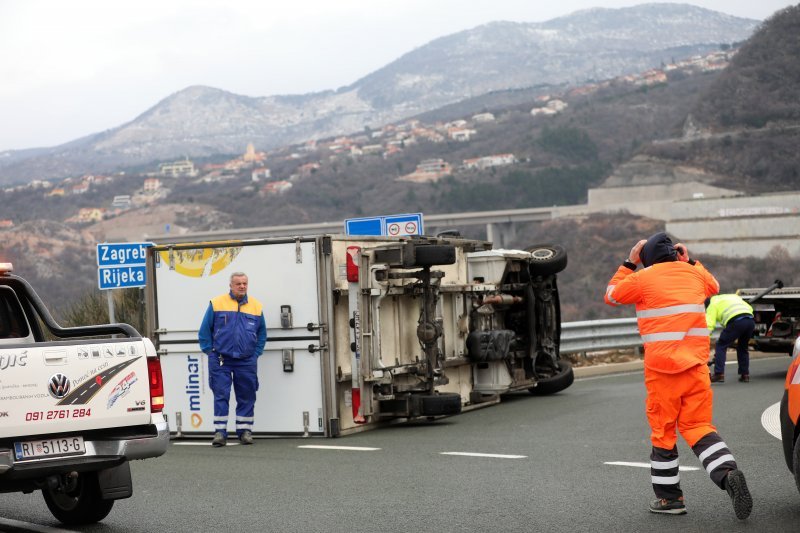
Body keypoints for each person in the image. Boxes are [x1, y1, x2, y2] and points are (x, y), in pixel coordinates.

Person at [604, 232, 752, 520]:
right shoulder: (693, 274)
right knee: (699, 427)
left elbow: (611, 295)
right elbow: (715, 285)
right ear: (675, 253)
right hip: (696, 367)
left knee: (663, 433)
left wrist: (628, 262)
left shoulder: (642, 279)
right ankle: (727, 474)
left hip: (662, 373)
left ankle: (670, 500)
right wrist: (690, 259)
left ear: (646, 258)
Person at [198, 271, 267, 447]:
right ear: (230, 285)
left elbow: (262, 333)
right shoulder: (217, 303)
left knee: (247, 395)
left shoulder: (256, 306)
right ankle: (220, 433)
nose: (242, 286)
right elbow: (205, 331)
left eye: (245, 283)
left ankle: (244, 431)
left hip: (246, 361)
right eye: (238, 284)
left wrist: (256, 353)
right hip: (221, 359)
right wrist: (210, 352)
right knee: (221, 395)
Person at [705, 294, 756, 383]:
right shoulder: (733, 296)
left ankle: (719, 374)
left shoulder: (712, 303)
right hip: (750, 321)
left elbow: (709, 324)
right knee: (742, 347)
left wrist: (704, 339)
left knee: (721, 345)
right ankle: (745, 374)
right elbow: (749, 308)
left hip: (736, 321)